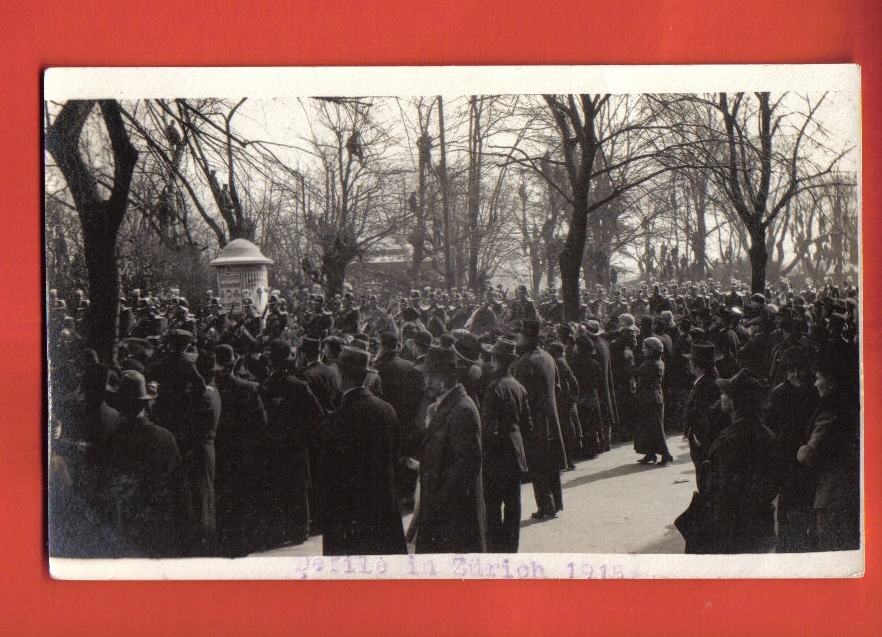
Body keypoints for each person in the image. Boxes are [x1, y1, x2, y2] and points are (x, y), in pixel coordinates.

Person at [318, 347, 407, 555]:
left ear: (340, 375)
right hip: (382, 505)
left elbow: (327, 472)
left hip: (348, 511)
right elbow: (395, 456)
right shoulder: (386, 409)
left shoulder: (338, 417)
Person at [104, 370, 192, 557]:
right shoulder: (164, 437)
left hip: (128, 523)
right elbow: (180, 489)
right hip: (159, 521)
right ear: (145, 404)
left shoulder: (114, 438)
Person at [695, 369, 780, 553]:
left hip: (733, 527)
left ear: (734, 403)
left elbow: (720, 487)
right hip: (761, 522)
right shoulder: (767, 434)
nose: (721, 397)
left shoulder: (730, 439)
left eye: (725, 394)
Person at [413, 346, 486, 553]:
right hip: (443, 515)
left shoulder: (462, 409)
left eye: (429, 377)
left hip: (452, 519)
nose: (425, 383)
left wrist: (438, 501)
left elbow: (468, 466)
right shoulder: (445, 406)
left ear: (444, 378)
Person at [256, 339, 325, 549]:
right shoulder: (300, 386)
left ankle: (278, 531)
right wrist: (303, 439)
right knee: (298, 488)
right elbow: (318, 416)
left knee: (276, 488)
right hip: (296, 448)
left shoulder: (264, 388)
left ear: (271, 363)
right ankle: (300, 531)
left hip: (273, 448)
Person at [797, 352, 860, 551]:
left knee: (830, 545)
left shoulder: (830, 410)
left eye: (818, 378)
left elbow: (811, 452)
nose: (815, 384)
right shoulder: (849, 403)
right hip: (848, 487)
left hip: (831, 492)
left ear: (831, 381)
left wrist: (801, 450)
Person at [211, 344, 267, 557]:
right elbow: (261, 422)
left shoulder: (210, 388)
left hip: (219, 450)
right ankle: (242, 543)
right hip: (242, 453)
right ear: (234, 363)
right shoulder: (249, 388)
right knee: (241, 498)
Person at [480, 337, 530, 552]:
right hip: (516, 448)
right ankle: (511, 546)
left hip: (497, 451)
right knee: (513, 501)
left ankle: (495, 547)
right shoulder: (519, 387)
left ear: (495, 359)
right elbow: (527, 424)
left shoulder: (494, 388)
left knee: (492, 502)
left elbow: (487, 427)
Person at [514, 319, 567, 519]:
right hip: (551, 418)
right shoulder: (548, 357)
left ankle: (546, 506)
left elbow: (521, 396)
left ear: (527, 338)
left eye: (519, 337)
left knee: (538, 465)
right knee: (551, 463)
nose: (517, 341)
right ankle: (557, 503)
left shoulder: (524, 362)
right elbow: (558, 388)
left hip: (535, 422)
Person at [632, 336, 674, 466]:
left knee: (655, 428)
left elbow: (636, 372)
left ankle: (666, 455)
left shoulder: (651, 364)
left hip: (650, 399)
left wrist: (628, 361)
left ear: (651, 350)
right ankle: (650, 453)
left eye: (645, 347)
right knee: (649, 427)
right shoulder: (656, 362)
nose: (642, 350)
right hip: (653, 397)